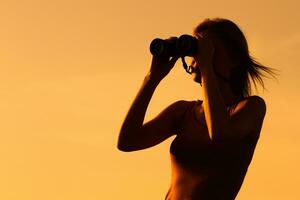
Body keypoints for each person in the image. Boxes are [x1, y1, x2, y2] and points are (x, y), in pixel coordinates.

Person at [117, 18, 278, 200]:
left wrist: (206, 67)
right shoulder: (184, 112)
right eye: (196, 49)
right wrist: (152, 78)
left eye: (208, 49)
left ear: (234, 60)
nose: (197, 57)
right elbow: (127, 142)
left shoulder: (251, 108)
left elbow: (219, 134)